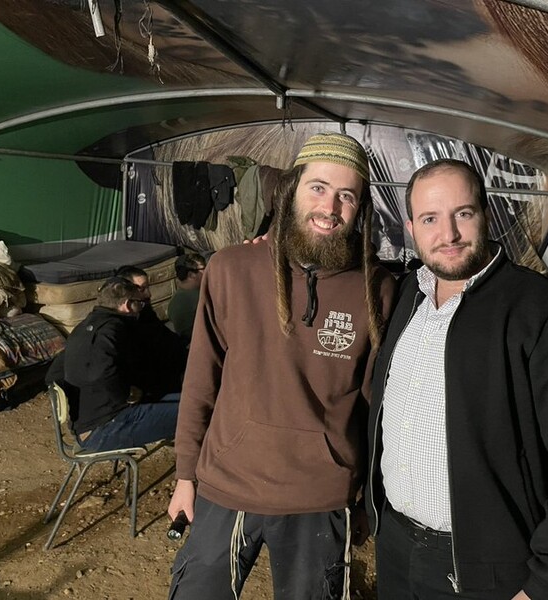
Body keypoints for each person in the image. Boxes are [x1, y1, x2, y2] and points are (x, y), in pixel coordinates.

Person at [366, 159, 548, 600]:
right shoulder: (409, 296)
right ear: (410, 227)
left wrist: (546, 581)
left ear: (486, 213)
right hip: (396, 545)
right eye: (430, 219)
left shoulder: (546, 313)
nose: (448, 234)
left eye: (463, 213)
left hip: (485, 567)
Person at [166, 132, 396, 600]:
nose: (330, 207)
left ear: (361, 209)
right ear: (290, 191)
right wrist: (185, 475)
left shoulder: (379, 289)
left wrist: (369, 498)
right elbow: (200, 382)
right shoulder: (231, 269)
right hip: (227, 485)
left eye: (346, 195)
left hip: (320, 496)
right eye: (318, 188)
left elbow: (377, 408)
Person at [45, 277, 179, 452]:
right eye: (139, 303)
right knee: (198, 414)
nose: (141, 308)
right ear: (126, 304)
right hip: (106, 428)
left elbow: (53, 374)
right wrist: (126, 395)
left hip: (90, 425)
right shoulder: (113, 330)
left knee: (193, 403)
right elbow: (103, 373)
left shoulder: (83, 328)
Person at [115, 264, 189, 396]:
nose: (148, 294)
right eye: (142, 289)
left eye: (148, 287)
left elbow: (167, 339)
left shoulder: (145, 313)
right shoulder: (120, 326)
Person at [167, 253, 208, 341]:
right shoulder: (199, 299)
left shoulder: (174, 301)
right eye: (204, 268)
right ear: (191, 275)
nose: (207, 271)